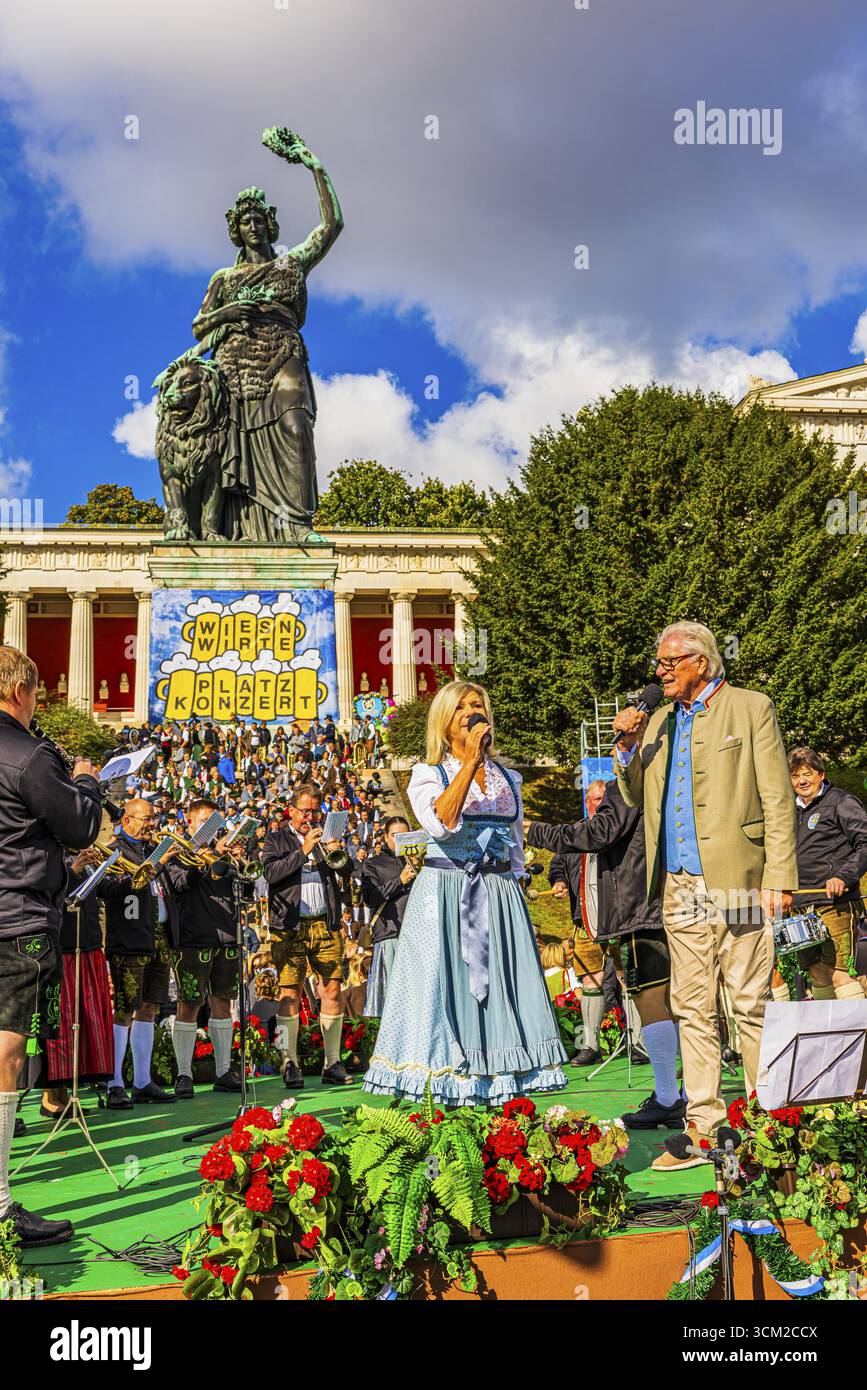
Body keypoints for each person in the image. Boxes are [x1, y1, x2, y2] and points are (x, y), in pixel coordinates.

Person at [612, 621, 797, 1171]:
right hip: (680, 884)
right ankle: (703, 1127)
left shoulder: (750, 707)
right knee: (691, 1006)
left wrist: (779, 875)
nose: (660, 671)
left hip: (739, 878)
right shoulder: (659, 722)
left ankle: (767, 1122)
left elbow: (778, 794)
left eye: (670, 662)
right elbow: (633, 794)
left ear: (702, 661)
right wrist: (626, 747)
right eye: (659, 662)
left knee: (748, 1001)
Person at [364, 681, 567, 1106]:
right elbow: (440, 824)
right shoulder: (427, 774)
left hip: (499, 894)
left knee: (503, 988)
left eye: (478, 706)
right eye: (461, 708)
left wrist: (517, 892)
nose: (472, 713)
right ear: (444, 721)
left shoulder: (508, 779)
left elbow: (513, 847)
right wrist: (471, 762)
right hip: (445, 893)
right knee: (442, 987)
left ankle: (501, 1083)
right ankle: (446, 1082)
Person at [0, 646, 101, 1247]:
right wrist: (85, 778)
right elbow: (81, 824)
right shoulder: (29, 753)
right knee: (7, 1051)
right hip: (16, 916)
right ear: (22, 690)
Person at [528, 780, 684, 1131]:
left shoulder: (632, 783)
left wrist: (534, 830)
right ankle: (681, 1093)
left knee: (653, 999)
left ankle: (670, 1097)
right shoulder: (666, 777)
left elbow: (600, 833)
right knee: (673, 999)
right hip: (659, 903)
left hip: (641, 908)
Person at [262, 784, 353, 1089]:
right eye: (306, 811)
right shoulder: (276, 838)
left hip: (324, 924)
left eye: (316, 810)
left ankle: (333, 1061)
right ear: (292, 810)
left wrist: (335, 849)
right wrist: (303, 851)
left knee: (332, 991)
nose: (311, 816)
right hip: (289, 925)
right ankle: (289, 1061)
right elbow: (271, 874)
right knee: (289, 993)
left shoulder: (325, 837)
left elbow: (347, 869)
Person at [98, 799, 179, 1109]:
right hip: (129, 939)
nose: (151, 824)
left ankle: (142, 1081)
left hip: (157, 937)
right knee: (124, 1010)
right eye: (145, 819)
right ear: (127, 821)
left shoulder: (152, 848)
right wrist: (153, 867)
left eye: (152, 818)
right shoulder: (115, 850)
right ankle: (114, 1082)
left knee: (149, 1008)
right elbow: (109, 890)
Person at [164, 800, 244, 1098]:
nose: (208, 827)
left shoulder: (224, 852)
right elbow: (180, 884)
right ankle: (184, 1074)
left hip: (227, 937)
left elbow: (247, 887)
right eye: (202, 821)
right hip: (193, 938)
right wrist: (203, 861)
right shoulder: (178, 853)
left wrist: (233, 860)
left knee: (223, 1002)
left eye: (213, 821)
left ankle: (223, 1070)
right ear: (190, 822)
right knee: (189, 1004)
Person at [786, 748, 867, 1001]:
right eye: (795, 776)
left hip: (835, 904)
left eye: (807, 774)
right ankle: (829, 1040)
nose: (801, 781)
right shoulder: (788, 811)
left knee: (840, 973)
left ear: (821, 774)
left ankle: (858, 1040)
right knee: (818, 973)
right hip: (801, 908)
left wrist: (844, 876)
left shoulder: (841, 802)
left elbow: (865, 842)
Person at [41, 848, 115, 1117]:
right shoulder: (49, 853)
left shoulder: (82, 856)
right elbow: (45, 894)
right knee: (60, 1021)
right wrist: (73, 873)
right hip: (62, 946)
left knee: (82, 1023)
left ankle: (66, 1092)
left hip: (88, 944)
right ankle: (49, 1095)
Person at [360, 816, 416, 1016]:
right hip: (391, 933)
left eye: (405, 835)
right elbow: (370, 898)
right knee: (393, 998)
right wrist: (400, 881)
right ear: (385, 837)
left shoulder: (422, 861)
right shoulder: (374, 864)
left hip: (419, 935)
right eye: (395, 835)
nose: (400, 839)